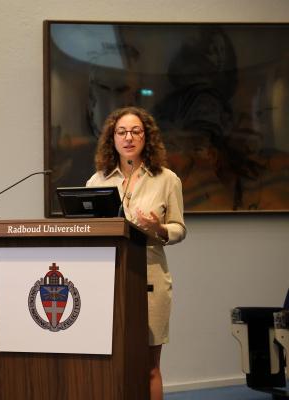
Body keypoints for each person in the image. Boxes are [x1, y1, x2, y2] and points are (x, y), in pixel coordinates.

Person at [86, 107, 187, 400]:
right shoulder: (98, 181)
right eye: (121, 132)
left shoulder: (166, 179)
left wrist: (159, 227)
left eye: (136, 132)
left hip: (150, 282)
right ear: (112, 139)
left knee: (148, 366)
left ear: (147, 137)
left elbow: (180, 230)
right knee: (111, 363)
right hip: (107, 282)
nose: (128, 137)